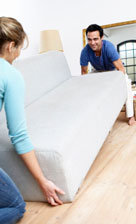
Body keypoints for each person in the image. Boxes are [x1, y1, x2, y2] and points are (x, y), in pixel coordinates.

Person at [0, 17, 65, 223]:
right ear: (11, 46)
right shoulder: (10, 75)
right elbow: (18, 136)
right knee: (16, 206)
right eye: (19, 48)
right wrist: (43, 181)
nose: (18, 55)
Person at [80, 24, 135, 126]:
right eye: (89, 39)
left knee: (127, 83)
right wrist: (88, 87)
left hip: (114, 70)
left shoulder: (109, 47)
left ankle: (131, 116)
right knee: (86, 83)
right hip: (98, 71)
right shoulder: (85, 51)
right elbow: (84, 73)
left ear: (101, 38)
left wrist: (115, 85)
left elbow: (121, 69)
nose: (92, 43)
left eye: (95, 39)